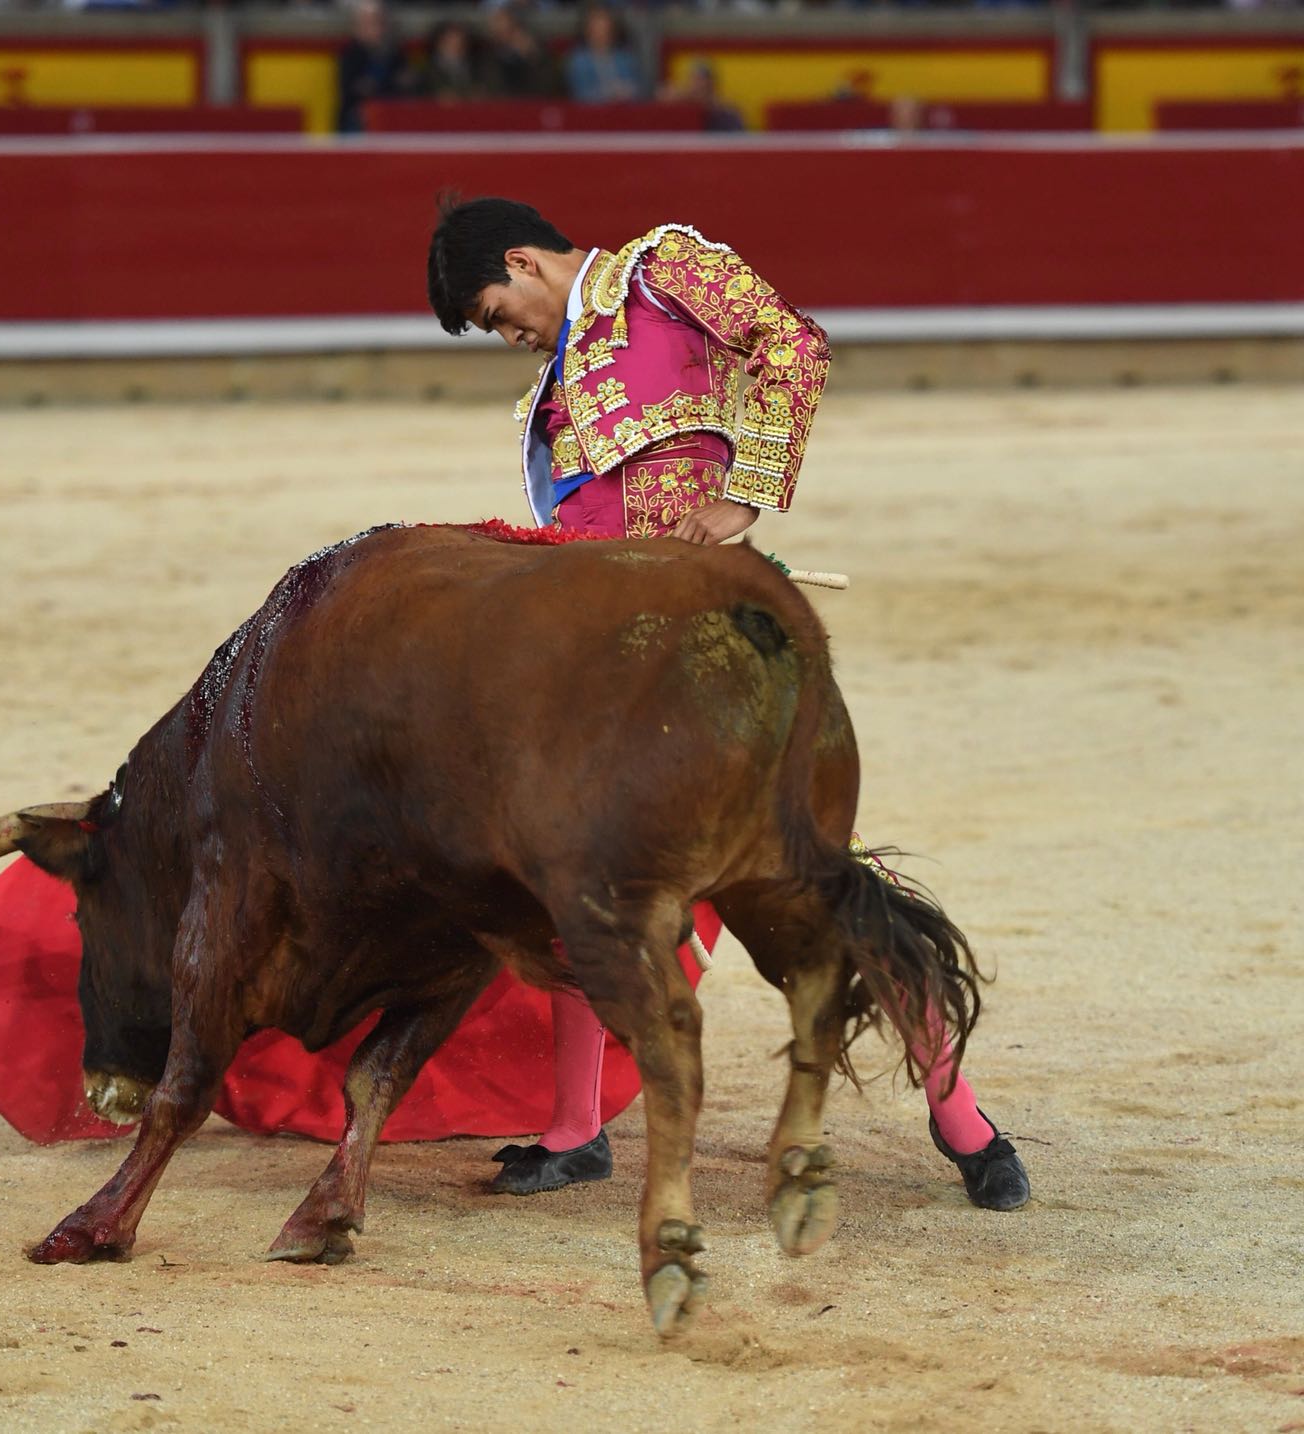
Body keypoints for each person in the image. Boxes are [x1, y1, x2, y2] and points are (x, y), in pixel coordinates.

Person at [425, 196, 1030, 1209]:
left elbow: (790, 345)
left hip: (708, 628)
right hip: (606, 649)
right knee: (571, 877)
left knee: (811, 876)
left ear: (523, 262)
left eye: (495, 312)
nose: (507, 335)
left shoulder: (663, 269)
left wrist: (745, 495)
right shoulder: (555, 382)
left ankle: (956, 1109)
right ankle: (575, 1128)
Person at [336, 1, 415, 134]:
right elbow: (352, 88)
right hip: (358, 115)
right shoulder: (351, 53)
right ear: (357, 26)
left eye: (377, 22)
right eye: (367, 22)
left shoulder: (395, 51)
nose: (374, 27)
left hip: (391, 111)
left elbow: (404, 82)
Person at [564, 6, 642, 106]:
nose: (601, 33)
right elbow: (579, 95)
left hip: (624, 112)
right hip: (590, 114)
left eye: (605, 28)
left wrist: (625, 92)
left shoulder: (625, 58)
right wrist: (608, 94)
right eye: (597, 28)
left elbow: (638, 90)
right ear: (588, 31)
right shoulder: (578, 61)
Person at [478, 8, 560, 101]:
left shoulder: (536, 53)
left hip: (532, 104)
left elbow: (547, 86)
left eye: (508, 29)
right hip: (502, 106)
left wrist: (532, 55)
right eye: (497, 28)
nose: (502, 33)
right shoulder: (487, 57)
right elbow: (492, 88)